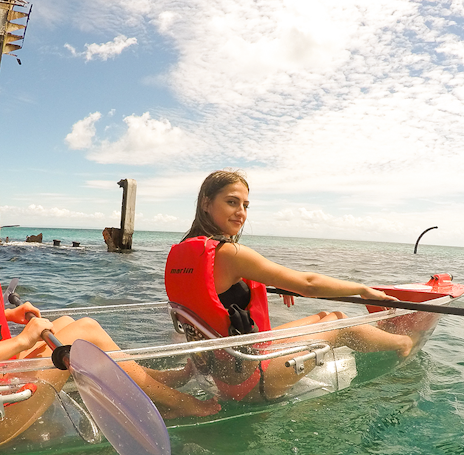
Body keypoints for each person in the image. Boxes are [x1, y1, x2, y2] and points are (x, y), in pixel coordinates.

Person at [165, 169, 417, 403]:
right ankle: (404, 343)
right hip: (252, 380)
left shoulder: (182, 253)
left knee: (324, 316)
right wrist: (363, 289)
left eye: (245, 205)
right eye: (232, 202)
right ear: (206, 203)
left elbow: (216, 291)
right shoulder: (230, 254)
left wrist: (270, 283)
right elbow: (309, 285)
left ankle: (382, 337)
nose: (241, 212)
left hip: (223, 371)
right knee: (339, 324)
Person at [0, 284, 221, 436]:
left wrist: (8, 315)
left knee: (66, 322)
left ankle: (154, 380)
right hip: (5, 413)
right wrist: (22, 341)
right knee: (86, 331)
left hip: (6, 378)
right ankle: (175, 401)